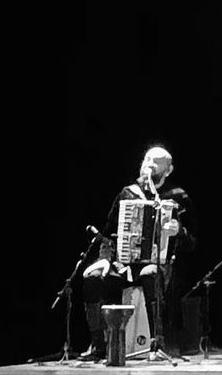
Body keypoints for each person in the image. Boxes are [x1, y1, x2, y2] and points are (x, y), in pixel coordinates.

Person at [80, 146, 195, 361]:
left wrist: (179, 231)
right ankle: (99, 344)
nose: (149, 164)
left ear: (168, 169)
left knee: (150, 273)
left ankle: (156, 344)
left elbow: (192, 244)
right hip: (123, 264)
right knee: (93, 278)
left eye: (156, 161)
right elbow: (108, 234)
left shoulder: (177, 197)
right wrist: (105, 259)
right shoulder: (127, 193)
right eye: (146, 159)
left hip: (159, 265)